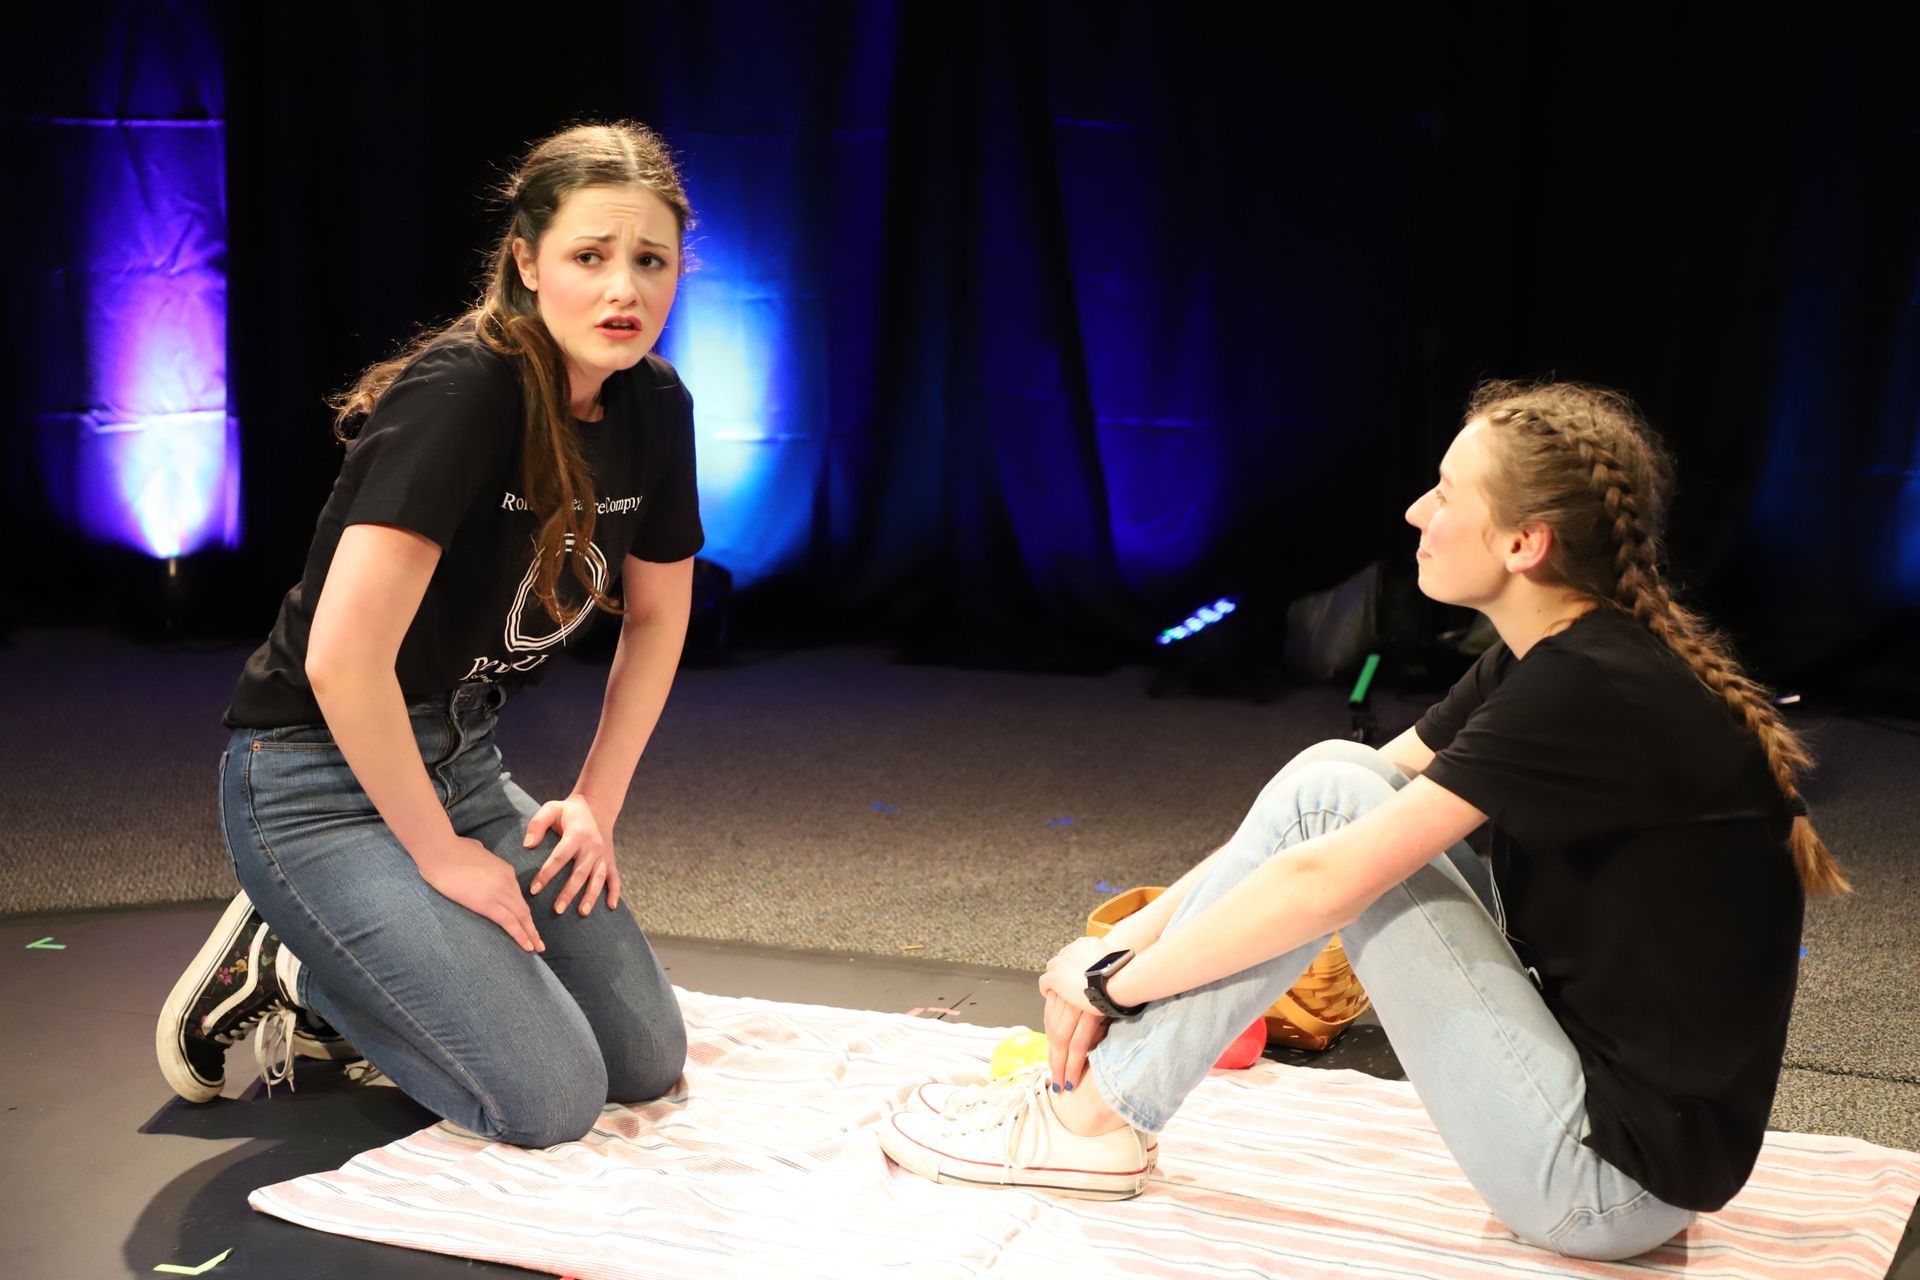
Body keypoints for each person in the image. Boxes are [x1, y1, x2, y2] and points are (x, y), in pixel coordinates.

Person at [878, 381, 1846, 1262]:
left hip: (1604, 1188)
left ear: (1525, 542)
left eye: (1445, 492)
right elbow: (1325, 800)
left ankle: (1094, 1121)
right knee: (1334, 772)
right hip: (1619, 1146)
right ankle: (1097, 1108)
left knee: (1339, 802)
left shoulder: (1582, 685)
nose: (1417, 513)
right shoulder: (1556, 655)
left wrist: (1117, 983)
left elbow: (1326, 873)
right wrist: (1134, 928)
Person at [156, 122, 704, 1148]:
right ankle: (298, 961)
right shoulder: (466, 390)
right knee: (550, 1097)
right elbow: (340, 658)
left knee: (643, 1059)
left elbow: (662, 613)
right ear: (528, 261)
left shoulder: (655, 405)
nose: (622, 288)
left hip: (457, 753)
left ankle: (355, 949)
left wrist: (594, 801)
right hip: (313, 778)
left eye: (650, 260)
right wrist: (438, 854)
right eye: (590, 256)